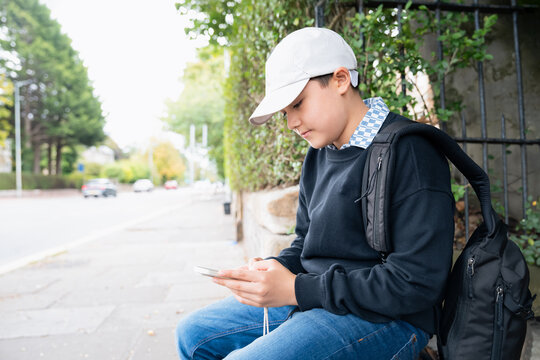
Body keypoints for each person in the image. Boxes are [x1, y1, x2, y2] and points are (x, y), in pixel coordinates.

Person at [176, 27, 455, 360]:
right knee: (192, 334)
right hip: (315, 297)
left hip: (389, 317)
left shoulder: (410, 151)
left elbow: (415, 284)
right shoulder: (319, 154)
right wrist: (272, 269)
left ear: (339, 80)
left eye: (297, 104)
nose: (292, 122)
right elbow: (306, 244)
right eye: (285, 113)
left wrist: (295, 289)